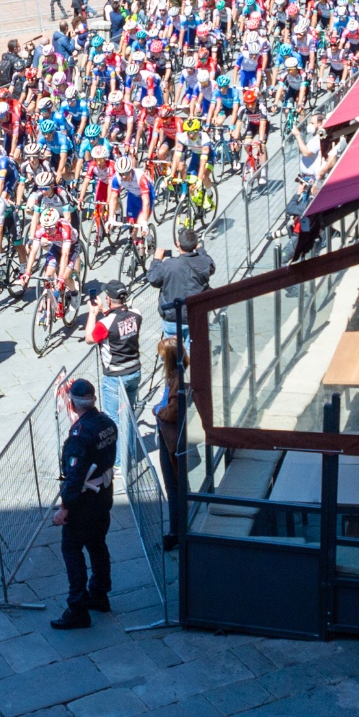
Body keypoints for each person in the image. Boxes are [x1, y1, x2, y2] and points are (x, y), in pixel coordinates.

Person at [50, 377, 118, 629]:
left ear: (73, 404)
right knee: (98, 544)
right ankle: (100, 594)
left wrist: (64, 508)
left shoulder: (79, 437)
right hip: (103, 497)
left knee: (72, 549)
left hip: (84, 504)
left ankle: (77, 606)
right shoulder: (108, 424)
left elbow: (75, 478)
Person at [85, 280, 142, 425]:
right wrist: (105, 310)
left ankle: (119, 448)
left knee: (114, 421)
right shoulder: (136, 315)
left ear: (108, 299)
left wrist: (92, 313)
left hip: (115, 376)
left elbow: (90, 338)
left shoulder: (104, 324)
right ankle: (130, 448)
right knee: (129, 417)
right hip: (134, 371)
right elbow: (119, 319)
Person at [145, 226, 214, 344]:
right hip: (195, 314)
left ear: (178, 244)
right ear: (195, 244)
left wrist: (156, 260)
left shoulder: (169, 265)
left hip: (172, 315)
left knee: (171, 352)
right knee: (193, 350)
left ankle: (174, 361)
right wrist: (201, 250)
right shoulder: (203, 262)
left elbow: (153, 279)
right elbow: (211, 266)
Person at [152, 336, 187, 542]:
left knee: (173, 487)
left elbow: (173, 411)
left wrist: (158, 411)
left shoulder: (177, 378)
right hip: (172, 434)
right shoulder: (177, 374)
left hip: (172, 437)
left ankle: (175, 532)